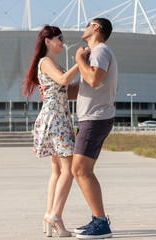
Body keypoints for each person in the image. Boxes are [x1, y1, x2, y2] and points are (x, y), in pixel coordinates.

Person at [22, 25, 88, 237]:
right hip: (56, 119)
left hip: (55, 118)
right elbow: (62, 81)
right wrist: (79, 63)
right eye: (60, 38)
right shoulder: (47, 62)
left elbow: (66, 90)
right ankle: (55, 217)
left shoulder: (53, 63)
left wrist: (87, 75)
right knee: (68, 170)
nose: (63, 41)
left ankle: (49, 215)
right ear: (48, 41)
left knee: (57, 171)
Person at [69, 18, 119, 239]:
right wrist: (53, 90)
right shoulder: (97, 54)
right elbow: (84, 86)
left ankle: (100, 223)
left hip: (95, 119)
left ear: (96, 27)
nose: (84, 28)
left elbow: (93, 80)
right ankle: (97, 219)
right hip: (93, 118)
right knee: (82, 170)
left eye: (88, 24)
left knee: (80, 170)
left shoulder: (99, 51)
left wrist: (79, 59)